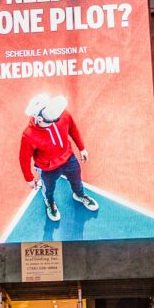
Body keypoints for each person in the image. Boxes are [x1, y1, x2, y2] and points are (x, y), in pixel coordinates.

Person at [19, 94, 98, 223]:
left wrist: (82, 148)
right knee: (48, 190)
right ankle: (50, 203)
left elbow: (73, 129)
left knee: (77, 181)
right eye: (52, 119)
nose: (57, 119)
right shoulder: (28, 135)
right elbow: (24, 158)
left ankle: (79, 195)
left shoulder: (61, 114)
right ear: (39, 118)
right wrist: (29, 178)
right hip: (47, 169)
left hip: (69, 159)